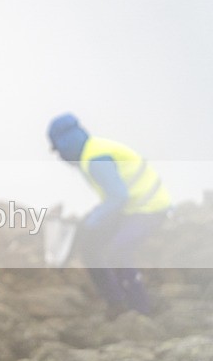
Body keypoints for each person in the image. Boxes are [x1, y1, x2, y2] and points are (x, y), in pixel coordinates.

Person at [48, 113, 171, 315]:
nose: (59, 155)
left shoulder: (94, 157)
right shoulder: (90, 152)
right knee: (90, 248)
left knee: (118, 251)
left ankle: (140, 310)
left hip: (150, 207)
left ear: (64, 143)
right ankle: (117, 302)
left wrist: (93, 220)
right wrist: (91, 220)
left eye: (57, 149)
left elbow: (118, 196)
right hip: (133, 208)